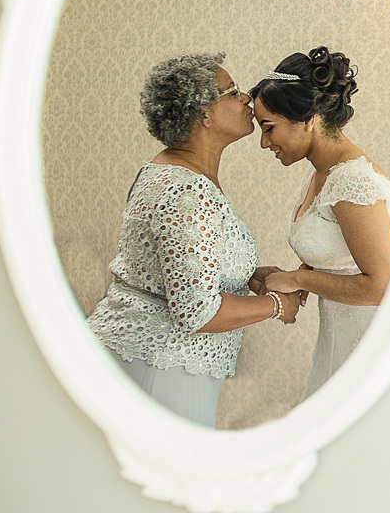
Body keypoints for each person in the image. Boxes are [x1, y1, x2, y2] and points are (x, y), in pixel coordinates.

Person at [86, 52, 302, 427]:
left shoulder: (166, 170)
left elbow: (177, 269)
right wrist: (277, 306)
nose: (246, 99)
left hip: (153, 360)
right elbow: (196, 311)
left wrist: (244, 275)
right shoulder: (187, 191)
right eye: (232, 92)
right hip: (161, 368)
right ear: (203, 114)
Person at [248, 47, 390, 397]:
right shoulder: (320, 171)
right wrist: (296, 277)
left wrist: (301, 278)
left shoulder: (352, 180)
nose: (264, 142)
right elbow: (343, 253)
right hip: (340, 334)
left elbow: (384, 285)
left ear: (308, 120)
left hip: (371, 340)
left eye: (269, 128)